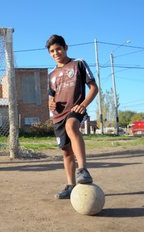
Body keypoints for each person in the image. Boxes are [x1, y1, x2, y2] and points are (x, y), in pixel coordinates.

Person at [46, 34, 99, 199]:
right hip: (58, 115)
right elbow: (51, 98)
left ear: (65, 48)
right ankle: (70, 186)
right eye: (52, 51)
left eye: (58, 49)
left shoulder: (78, 64)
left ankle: (83, 170)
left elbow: (94, 88)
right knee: (66, 152)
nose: (56, 53)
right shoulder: (51, 75)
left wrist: (83, 105)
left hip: (76, 108)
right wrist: (51, 104)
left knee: (71, 126)